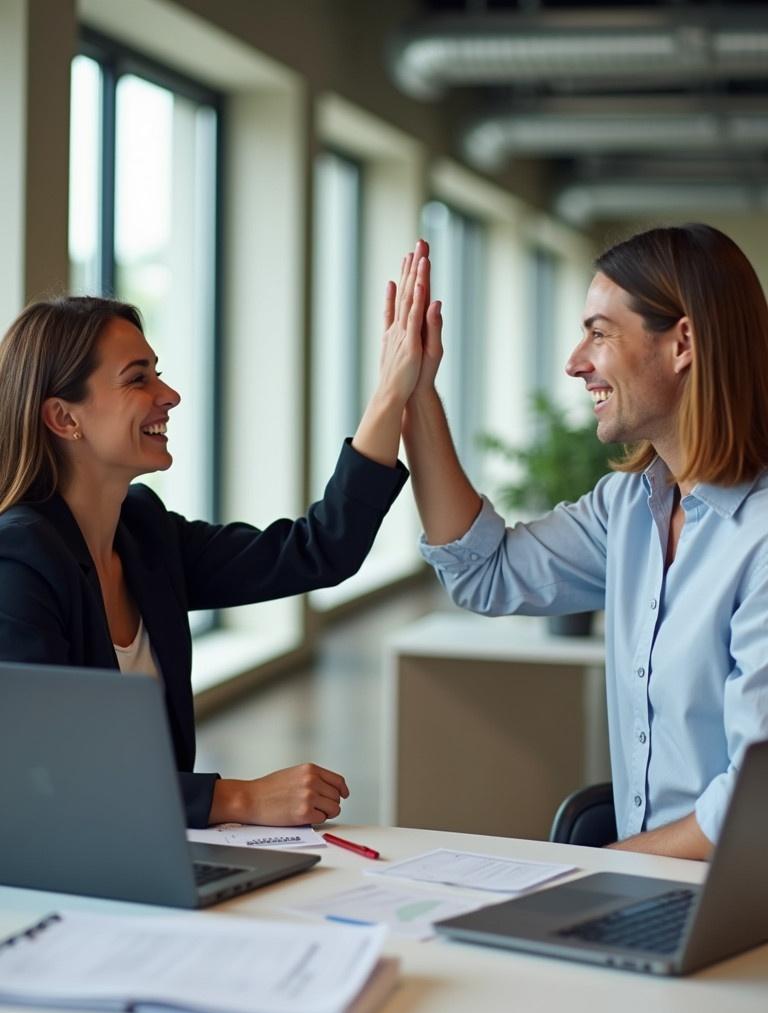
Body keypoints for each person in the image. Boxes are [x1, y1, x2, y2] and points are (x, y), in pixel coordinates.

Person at [0, 249, 431, 829]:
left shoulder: (143, 531)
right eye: (138, 379)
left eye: (157, 371)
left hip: (149, 850)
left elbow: (318, 550)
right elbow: (46, 776)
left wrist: (391, 393)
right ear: (63, 418)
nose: (169, 394)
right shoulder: (17, 564)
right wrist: (240, 799)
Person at [401, 226, 768, 860]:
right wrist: (418, 391)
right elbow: (485, 571)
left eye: (600, 333)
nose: (575, 361)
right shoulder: (630, 508)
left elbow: (752, 804)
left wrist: (589, 876)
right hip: (649, 891)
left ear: (683, 342)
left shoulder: (758, 538)